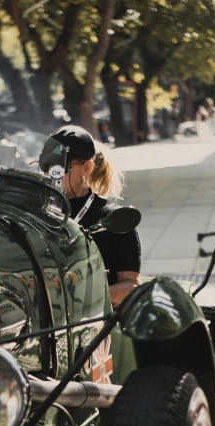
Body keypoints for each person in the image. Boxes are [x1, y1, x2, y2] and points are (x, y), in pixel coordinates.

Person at [39, 125, 141, 306]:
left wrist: (78, 299)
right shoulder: (36, 212)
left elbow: (131, 285)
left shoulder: (115, 218)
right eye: (46, 165)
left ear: (87, 168)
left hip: (93, 322)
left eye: (61, 167)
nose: (52, 175)